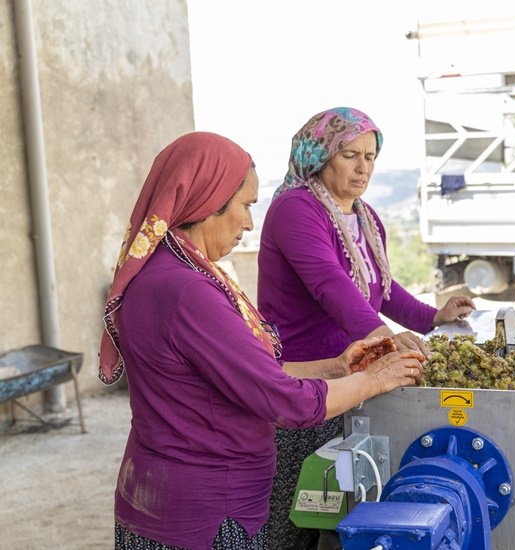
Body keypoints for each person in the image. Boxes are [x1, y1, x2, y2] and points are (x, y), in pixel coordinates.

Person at [100, 132, 426, 550]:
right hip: (203, 516)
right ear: (207, 200)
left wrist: (337, 367)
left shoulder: (166, 272)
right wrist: (378, 379)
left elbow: (238, 374)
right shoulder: (187, 292)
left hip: (158, 501)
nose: (250, 222)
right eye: (246, 205)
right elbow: (283, 400)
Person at [257, 107, 476, 549]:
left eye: (371, 157)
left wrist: (434, 317)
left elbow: (382, 290)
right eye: (350, 155)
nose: (363, 168)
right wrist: (384, 338)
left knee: (349, 512)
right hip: (306, 384)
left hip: (353, 381)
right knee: (295, 515)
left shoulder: (365, 217)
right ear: (321, 156)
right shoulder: (296, 208)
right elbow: (329, 284)